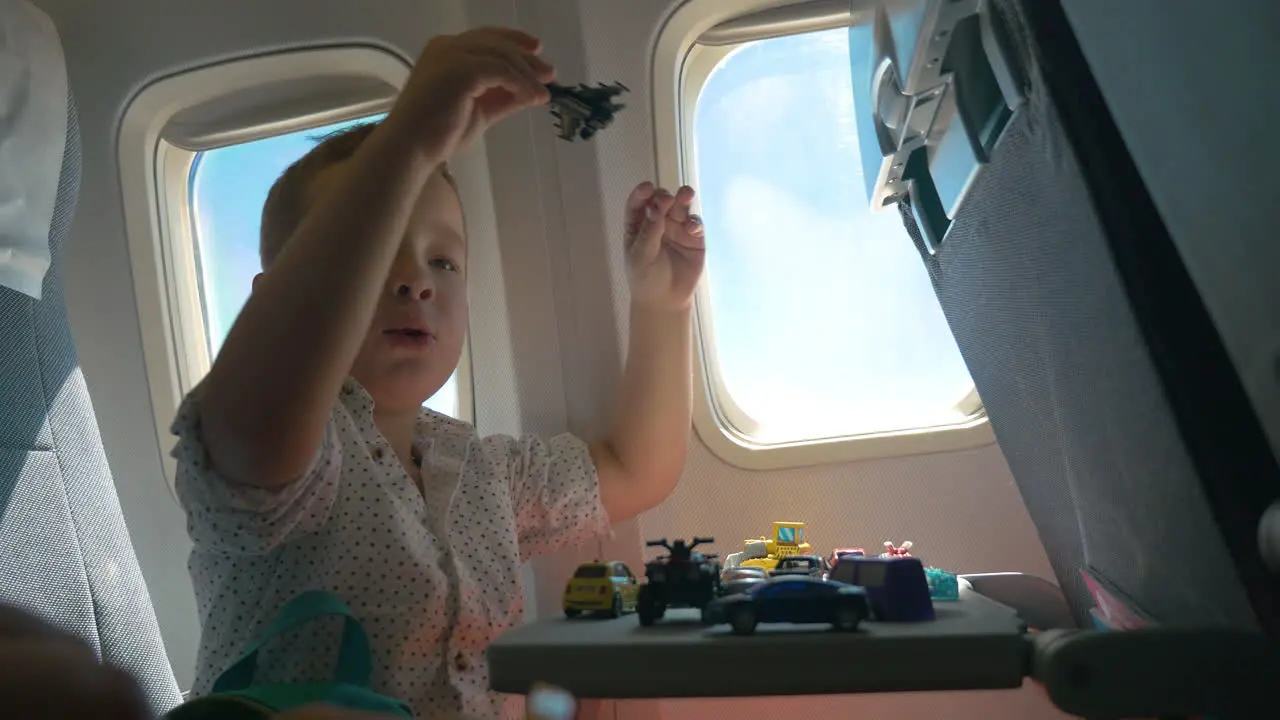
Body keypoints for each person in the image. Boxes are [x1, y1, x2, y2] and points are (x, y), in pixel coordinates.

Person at [170, 26, 704, 719]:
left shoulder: (479, 474)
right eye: (377, 251)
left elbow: (637, 468)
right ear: (274, 294)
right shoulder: (279, 459)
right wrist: (409, 142)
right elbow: (266, 405)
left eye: (443, 262)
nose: (416, 282)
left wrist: (663, 304)